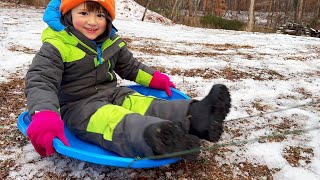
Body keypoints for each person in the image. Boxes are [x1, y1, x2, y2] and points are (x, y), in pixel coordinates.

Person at [25, 0, 231, 160]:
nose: (92, 21)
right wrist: (44, 114)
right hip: (78, 106)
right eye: (83, 13)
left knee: (143, 103)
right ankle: (154, 137)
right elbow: (41, 80)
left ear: (108, 19)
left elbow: (131, 67)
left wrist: (154, 79)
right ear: (68, 15)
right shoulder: (57, 46)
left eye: (100, 15)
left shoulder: (109, 42)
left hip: (112, 93)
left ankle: (197, 115)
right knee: (113, 120)